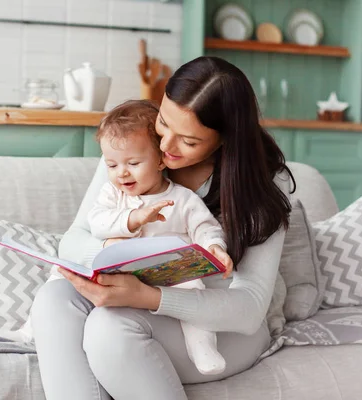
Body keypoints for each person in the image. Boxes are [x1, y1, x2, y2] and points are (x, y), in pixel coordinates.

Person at [31, 56, 295, 400]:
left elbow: (247, 309)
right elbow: (74, 239)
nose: (166, 146)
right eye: (164, 122)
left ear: (226, 140)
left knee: (110, 327)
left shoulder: (258, 184)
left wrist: (146, 296)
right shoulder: (135, 147)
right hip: (135, 300)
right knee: (54, 298)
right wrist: (112, 260)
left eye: (188, 141)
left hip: (219, 325)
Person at [86, 99, 233, 375]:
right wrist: (133, 219)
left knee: (194, 289)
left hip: (169, 274)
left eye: (133, 162)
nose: (122, 173)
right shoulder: (112, 193)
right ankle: (32, 329)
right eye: (112, 165)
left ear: (160, 160)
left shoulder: (182, 198)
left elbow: (206, 227)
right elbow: (96, 222)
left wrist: (215, 247)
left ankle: (202, 347)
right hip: (122, 273)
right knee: (62, 276)